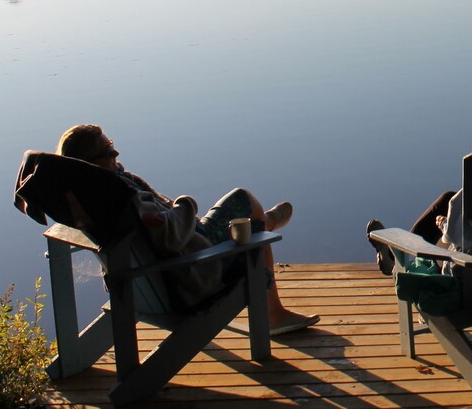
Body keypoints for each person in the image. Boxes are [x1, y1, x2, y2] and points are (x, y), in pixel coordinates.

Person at [56, 124, 318, 335]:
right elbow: (169, 235)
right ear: (89, 164)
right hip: (193, 274)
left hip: (150, 280)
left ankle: (263, 221)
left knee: (247, 218)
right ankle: (273, 313)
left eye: (112, 146)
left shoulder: (92, 200)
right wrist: (184, 204)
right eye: (108, 152)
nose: (116, 155)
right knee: (244, 203)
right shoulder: (125, 200)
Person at [367, 98, 472, 274]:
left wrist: (445, 224)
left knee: (446, 225)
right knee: (447, 199)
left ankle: (397, 255)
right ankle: (392, 255)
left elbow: (456, 236)